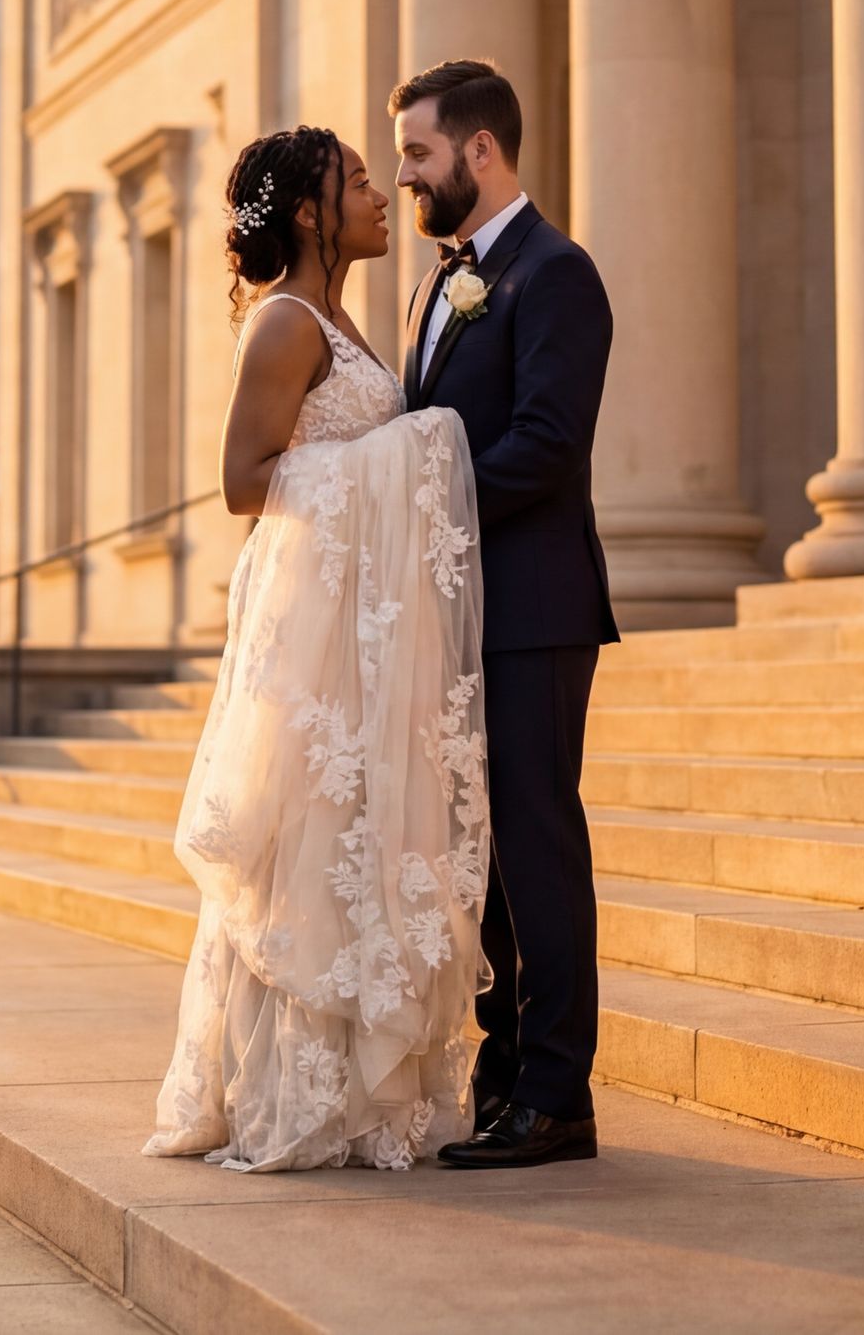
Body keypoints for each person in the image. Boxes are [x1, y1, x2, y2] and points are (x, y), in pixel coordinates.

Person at [147, 127, 490, 1173]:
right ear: (308, 213)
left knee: (358, 838)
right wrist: (406, 453)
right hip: (314, 626)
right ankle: (294, 1091)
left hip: (363, 624)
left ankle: (355, 1086)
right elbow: (245, 482)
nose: (380, 194)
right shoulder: (287, 325)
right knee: (310, 845)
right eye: (353, 181)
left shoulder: (345, 318)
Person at [390, 59, 618, 1170]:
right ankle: (504, 1073)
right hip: (461, 608)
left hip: (533, 608)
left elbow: (547, 445)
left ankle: (558, 1095)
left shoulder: (557, 274)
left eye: (421, 155)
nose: (407, 178)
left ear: (481, 152)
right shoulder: (442, 281)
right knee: (481, 860)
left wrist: (415, 495)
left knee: (538, 846)